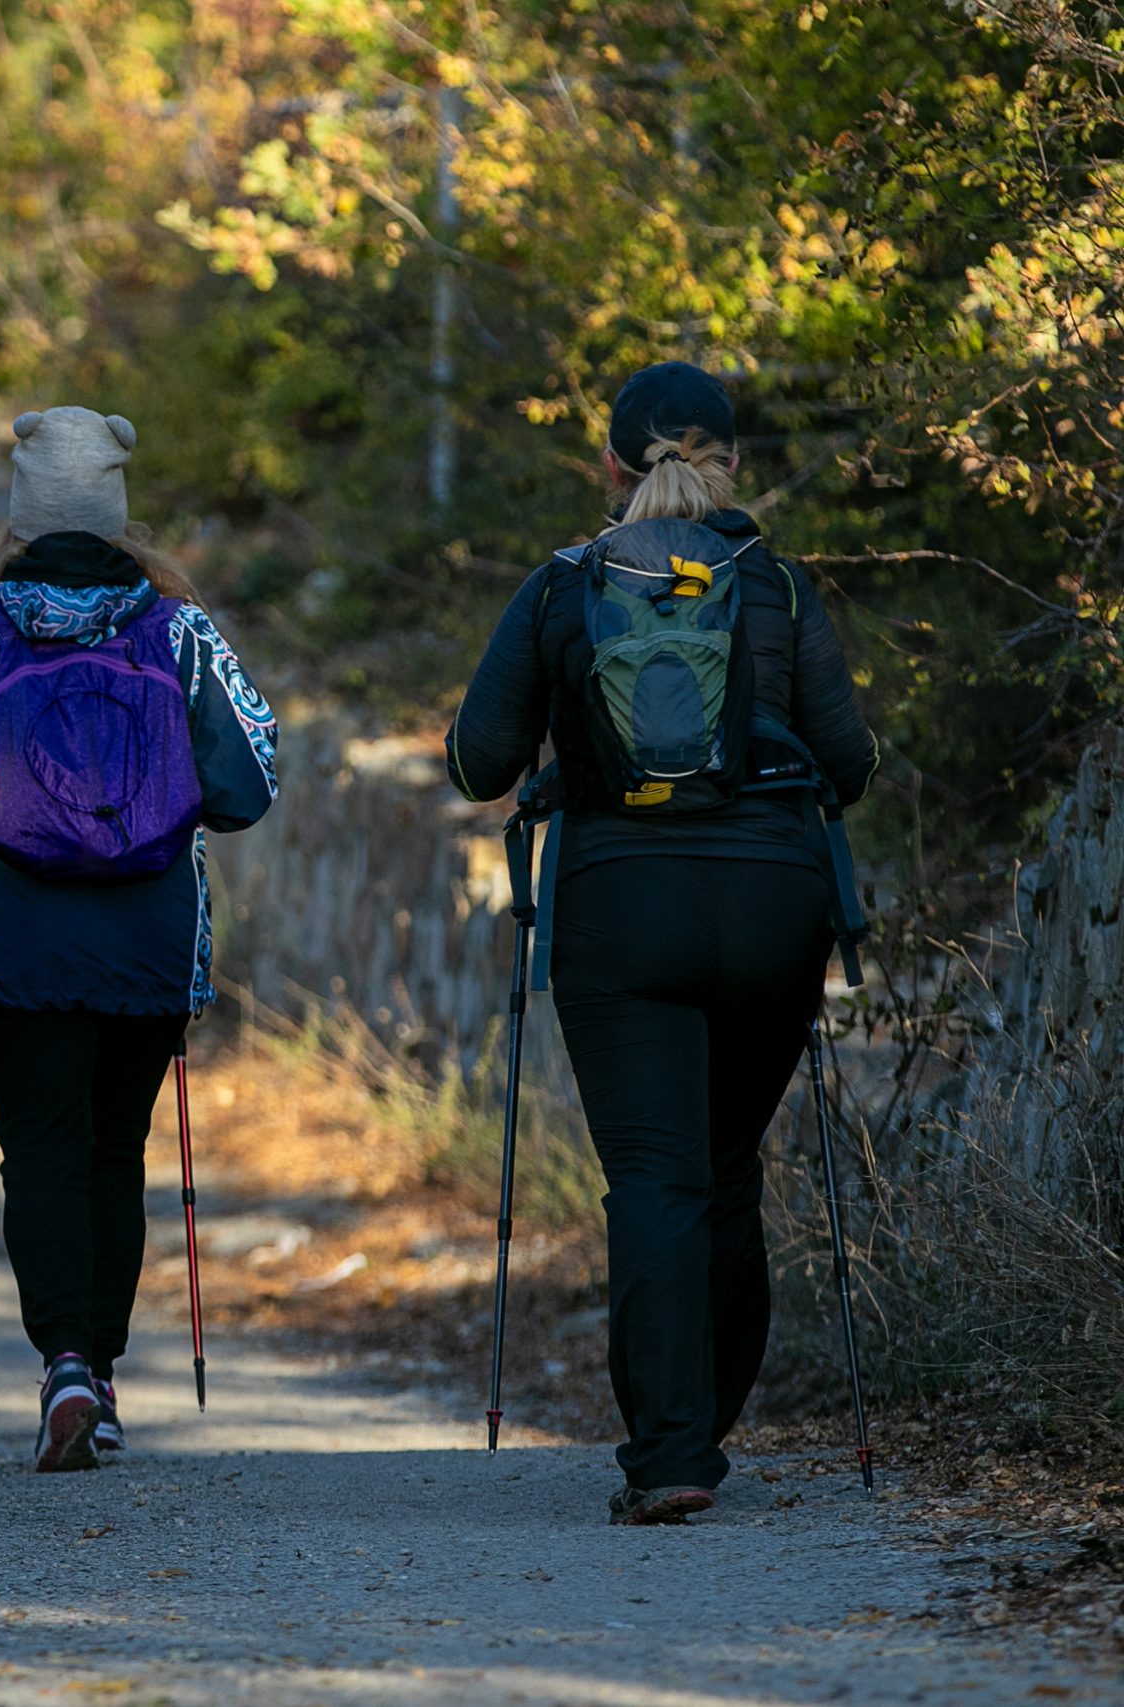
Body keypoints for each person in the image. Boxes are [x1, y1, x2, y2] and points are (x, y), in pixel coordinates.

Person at [443, 361, 879, 1526]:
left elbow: (477, 761)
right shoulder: (775, 586)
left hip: (619, 909)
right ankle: (708, 1422)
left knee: (651, 1176)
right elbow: (849, 765)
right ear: (732, 462)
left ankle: (671, 1451)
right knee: (724, 1168)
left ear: (608, 466)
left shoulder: (563, 586)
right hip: (771, 909)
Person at [0, 406, 278, 1473]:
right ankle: (105, 1368)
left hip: (9, 939)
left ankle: (66, 1366)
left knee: (36, 1153)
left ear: (17, 507)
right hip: (146, 940)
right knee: (114, 1155)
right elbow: (249, 782)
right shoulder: (177, 631)